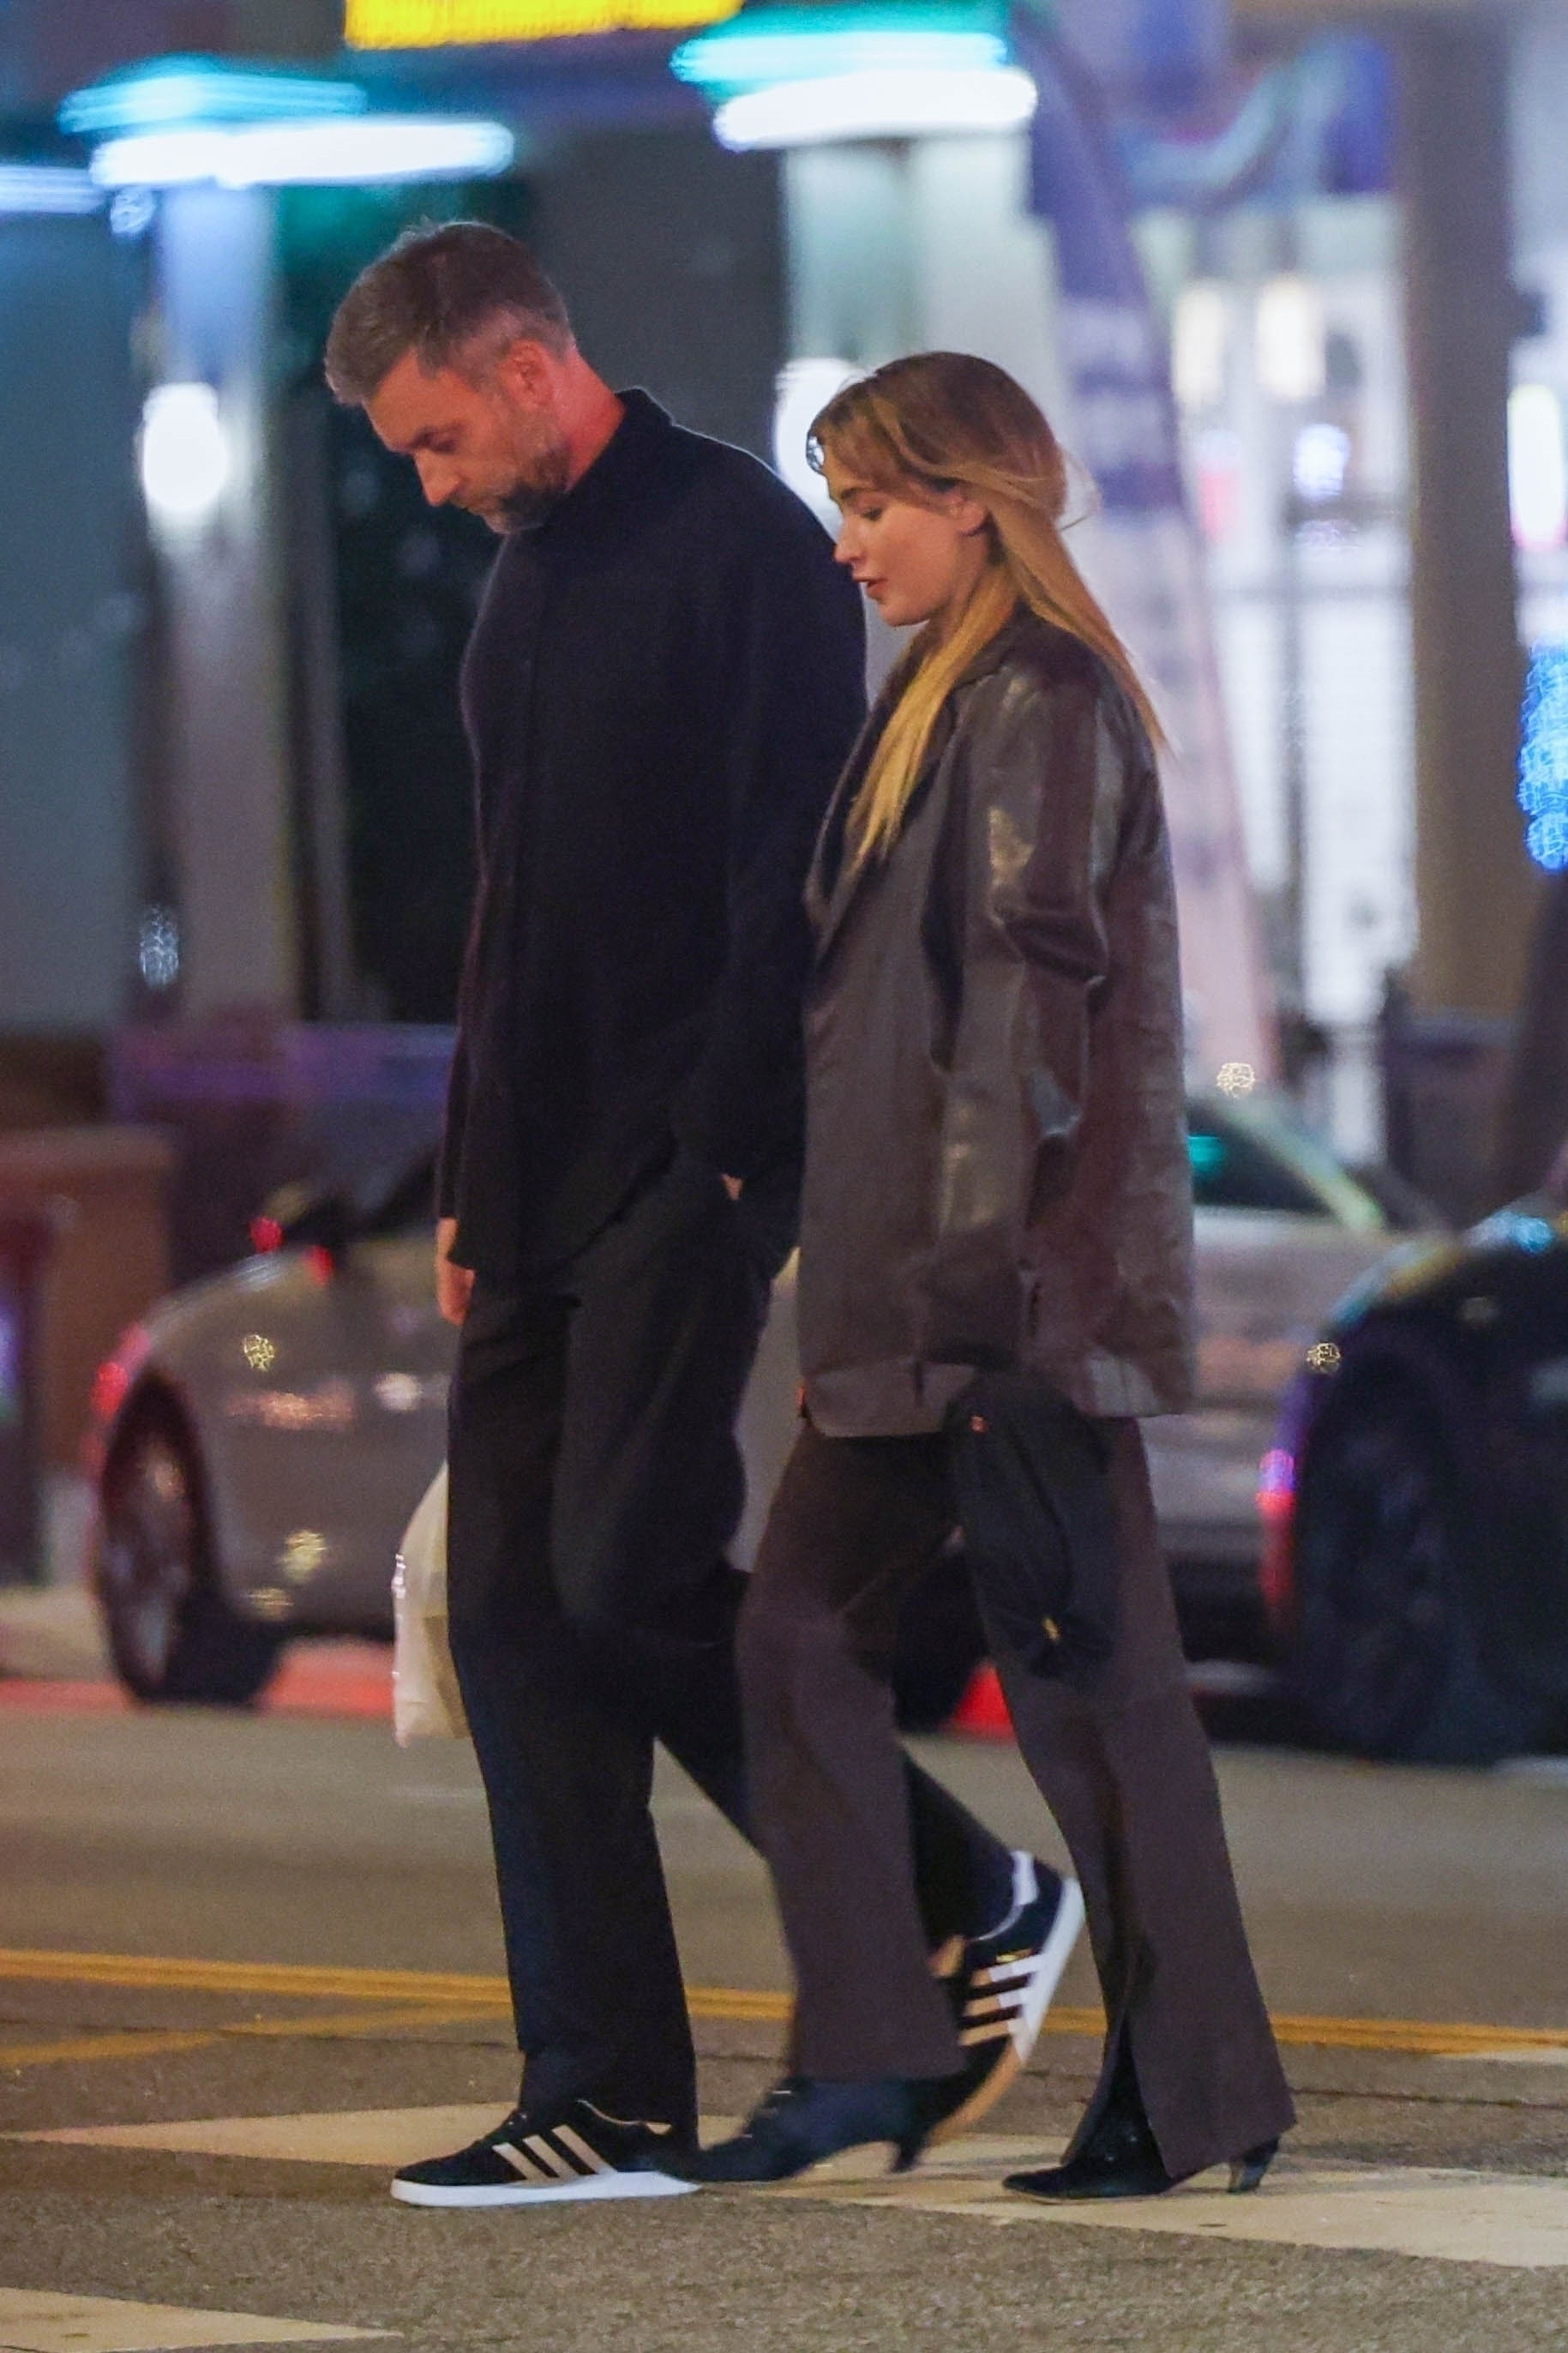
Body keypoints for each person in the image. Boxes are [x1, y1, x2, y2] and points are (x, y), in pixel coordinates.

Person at [322, 229, 1084, 2209]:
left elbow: (787, 876)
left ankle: (970, 1891)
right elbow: (508, 926)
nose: (433, 483)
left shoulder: (740, 546)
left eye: (432, 440)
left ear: (517, 365)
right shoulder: (522, 594)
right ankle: (598, 2089)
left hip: (686, 1166)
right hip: (538, 1190)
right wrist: (475, 1187)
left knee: (616, 1584)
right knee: (506, 1616)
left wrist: (735, 1152)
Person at [692, 352, 1295, 2196]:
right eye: (840, 500)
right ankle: (939, 2057)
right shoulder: (942, 704)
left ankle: (1147, 2086)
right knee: (839, 1646)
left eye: (876, 500)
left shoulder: (1034, 700)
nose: (849, 539)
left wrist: (950, 1306)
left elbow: (1022, 1030)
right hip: (946, 1297)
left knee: (1069, 1693)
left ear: (974, 500)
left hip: (1008, 1308)